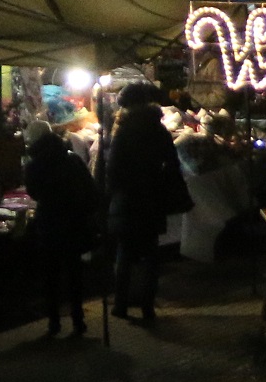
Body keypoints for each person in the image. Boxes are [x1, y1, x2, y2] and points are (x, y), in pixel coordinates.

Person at [103, 85, 188, 325]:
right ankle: (147, 306)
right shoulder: (158, 130)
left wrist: (110, 195)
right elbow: (172, 164)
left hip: (127, 200)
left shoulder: (124, 132)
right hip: (152, 199)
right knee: (151, 254)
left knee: (125, 253)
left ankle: (121, 305)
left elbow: (113, 170)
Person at [24, 124, 99, 338]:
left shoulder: (34, 165)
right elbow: (90, 189)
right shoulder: (72, 159)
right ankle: (78, 320)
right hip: (74, 224)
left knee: (51, 276)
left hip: (50, 225)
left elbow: (34, 192)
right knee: (74, 274)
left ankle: (54, 322)